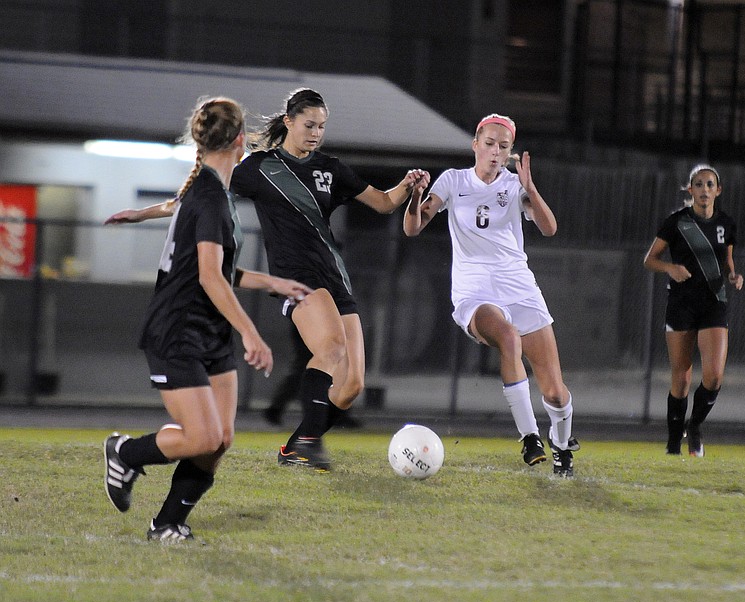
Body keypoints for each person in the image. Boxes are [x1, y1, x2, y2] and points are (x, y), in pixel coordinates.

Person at [102, 97, 313, 542]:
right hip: (177, 329)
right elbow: (210, 277)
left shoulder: (208, 191)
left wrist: (272, 282)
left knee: (220, 439)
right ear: (240, 142)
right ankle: (125, 452)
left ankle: (166, 523)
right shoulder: (210, 197)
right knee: (201, 438)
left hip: (207, 330)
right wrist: (251, 333)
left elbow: (218, 269)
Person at [230, 87, 429, 470]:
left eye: (321, 126)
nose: (316, 133)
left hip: (334, 275)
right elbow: (209, 189)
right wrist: (163, 212)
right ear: (288, 122)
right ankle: (308, 442)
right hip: (296, 277)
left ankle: (295, 447)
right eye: (309, 125)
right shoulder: (259, 168)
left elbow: (384, 203)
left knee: (352, 385)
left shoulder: (330, 168)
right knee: (332, 347)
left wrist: (408, 185)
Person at [403, 113, 580, 477]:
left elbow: (548, 228)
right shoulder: (453, 181)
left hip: (520, 289)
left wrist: (531, 189)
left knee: (555, 392)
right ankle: (530, 437)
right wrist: (416, 196)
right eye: (489, 144)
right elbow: (413, 227)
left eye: (503, 146)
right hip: (475, 292)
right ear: (475, 145)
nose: (495, 152)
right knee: (509, 338)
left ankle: (561, 445)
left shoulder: (515, 185)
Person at [643, 163, 744, 457]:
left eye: (710, 184)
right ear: (690, 189)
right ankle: (674, 442)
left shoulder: (726, 224)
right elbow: (650, 260)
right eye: (699, 184)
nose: (704, 190)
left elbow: (727, 262)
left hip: (714, 303)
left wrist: (734, 276)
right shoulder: (676, 222)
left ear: (718, 190)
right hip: (682, 303)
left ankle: (695, 425)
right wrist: (670, 268)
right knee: (682, 377)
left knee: (714, 377)